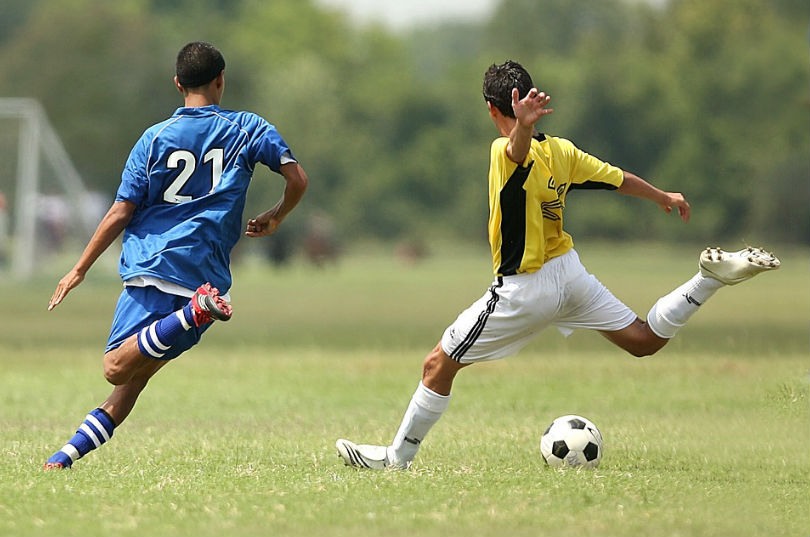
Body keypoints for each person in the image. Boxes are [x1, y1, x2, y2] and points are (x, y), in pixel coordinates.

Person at [335, 60, 779, 470]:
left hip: (525, 288)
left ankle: (398, 459)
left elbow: (515, 153)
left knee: (437, 365)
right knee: (643, 340)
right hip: (570, 273)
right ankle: (706, 280)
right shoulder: (562, 151)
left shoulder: (501, 150)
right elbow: (616, 177)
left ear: (493, 109)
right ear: (528, 99)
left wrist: (520, 129)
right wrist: (662, 195)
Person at [44, 41, 308, 469]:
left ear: (177, 84)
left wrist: (79, 268)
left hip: (154, 266)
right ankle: (64, 457)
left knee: (115, 367)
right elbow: (297, 178)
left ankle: (191, 313)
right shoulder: (248, 128)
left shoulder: (153, 139)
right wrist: (276, 216)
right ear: (221, 80)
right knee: (131, 383)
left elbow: (121, 211)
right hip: (206, 273)